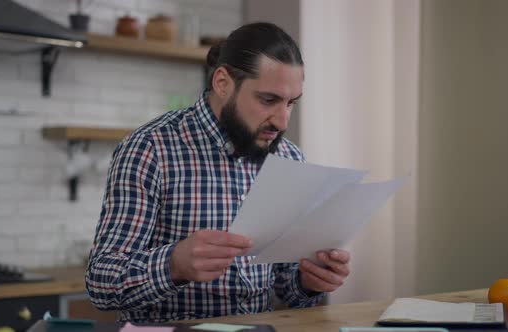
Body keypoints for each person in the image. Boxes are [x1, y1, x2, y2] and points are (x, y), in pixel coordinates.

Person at [86, 22, 351, 322]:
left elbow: (285, 286)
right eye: (268, 100)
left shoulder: (289, 157)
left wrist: (307, 282)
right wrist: (173, 264)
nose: (282, 121)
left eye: (291, 103)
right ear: (223, 83)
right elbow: (100, 283)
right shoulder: (150, 149)